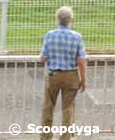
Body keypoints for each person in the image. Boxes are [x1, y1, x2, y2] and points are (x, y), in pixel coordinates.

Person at [39, 7, 87, 140]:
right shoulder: (77, 37)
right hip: (71, 75)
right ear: (70, 20)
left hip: (53, 75)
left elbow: (42, 58)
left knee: (48, 106)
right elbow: (81, 61)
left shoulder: (50, 35)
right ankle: (66, 137)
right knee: (68, 108)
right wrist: (83, 80)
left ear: (57, 19)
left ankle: (46, 137)